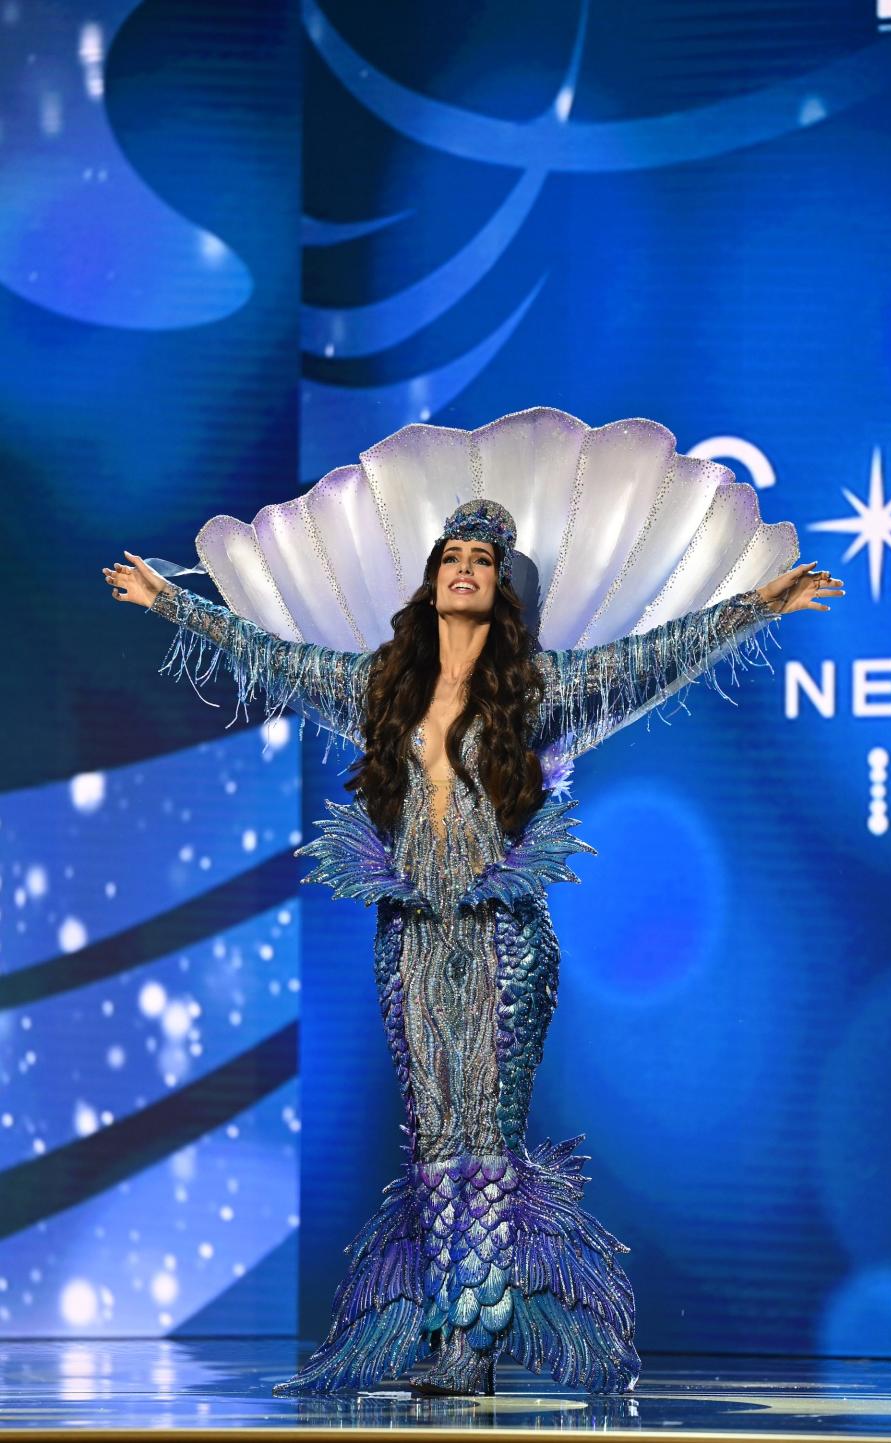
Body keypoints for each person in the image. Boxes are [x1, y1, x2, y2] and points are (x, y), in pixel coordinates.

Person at [103, 499, 842, 1397]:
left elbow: (653, 659)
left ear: (500, 586)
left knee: (484, 1137)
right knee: (433, 1137)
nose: (462, 568)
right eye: (450, 555)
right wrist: (172, 603)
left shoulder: (539, 688)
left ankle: (472, 1346)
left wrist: (761, 603)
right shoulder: (385, 687)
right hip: (412, 933)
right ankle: (451, 1326)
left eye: (480, 560)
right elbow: (276, 659)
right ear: (431, 579)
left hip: (502, 939)